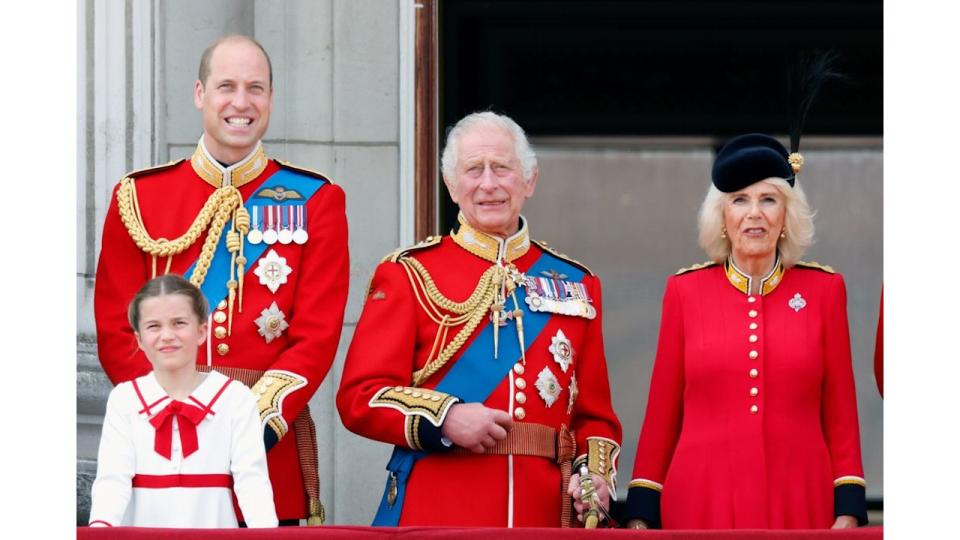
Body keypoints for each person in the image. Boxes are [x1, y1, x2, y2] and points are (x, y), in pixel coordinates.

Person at [93, 34, 349, 525]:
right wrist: (166, 411)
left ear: (270, 98)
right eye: (226, 86)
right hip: (160, 450)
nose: (241, 102)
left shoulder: (316, 199)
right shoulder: (139, 197)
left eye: (256, 88)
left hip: (263, 449)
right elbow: (116, 328)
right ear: (199, 94)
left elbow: (315, 338)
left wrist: (243, 424)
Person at [336, 111, 622, 527]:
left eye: (502, 168)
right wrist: (445, 417)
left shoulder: (578, 284)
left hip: (540, 515)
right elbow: (360, 397)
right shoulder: (409, 274)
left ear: (530, 180)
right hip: (440, 512)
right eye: (473, 170)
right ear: (452, 185)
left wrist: (594, 475)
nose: (488, 184)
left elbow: (595, 417)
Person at [623, 132, 867, 529]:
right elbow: (661, 413)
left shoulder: (824, 291)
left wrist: (848, 509)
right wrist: (642, 509)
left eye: (768, 200)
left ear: (787, 215)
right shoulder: (685, 291)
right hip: (701, 499)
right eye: (739, 200)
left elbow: (841, 414)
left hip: (801, 497)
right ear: (721, 217)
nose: (754, 213)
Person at [89, 274, 278, 528]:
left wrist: (266, 533)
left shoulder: (234, 397)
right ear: (139, 339)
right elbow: (112, 480)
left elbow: (252, 480)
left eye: (179, 323)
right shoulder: (125, 399)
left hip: (215, 530)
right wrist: (100, 529)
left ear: (201, 331)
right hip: (142, 532)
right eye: (154, 326)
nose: (167, 335)